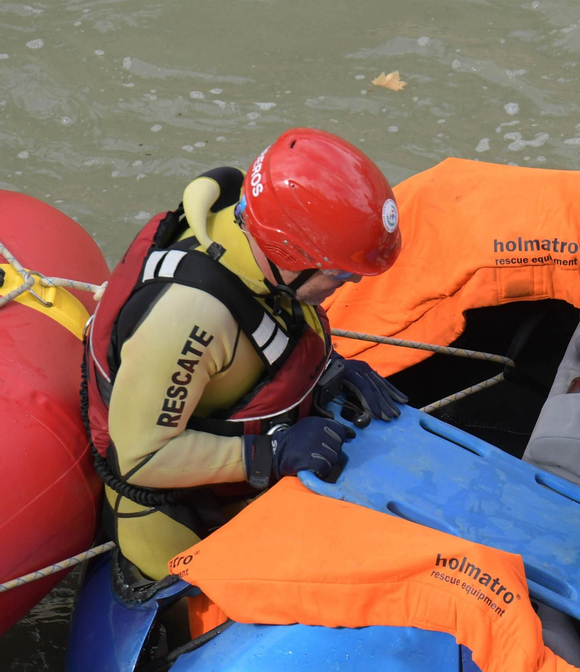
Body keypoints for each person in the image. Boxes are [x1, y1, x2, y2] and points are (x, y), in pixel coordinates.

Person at [83, 128, 407, 582]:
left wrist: (325, 372)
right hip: (174, 518)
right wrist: (268, 453)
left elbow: (268, 328)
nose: (350, 284)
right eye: (341, 273)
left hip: (235, 443)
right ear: (288, 253)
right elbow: (139, 457)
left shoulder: (250, 230)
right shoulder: (190, 317)